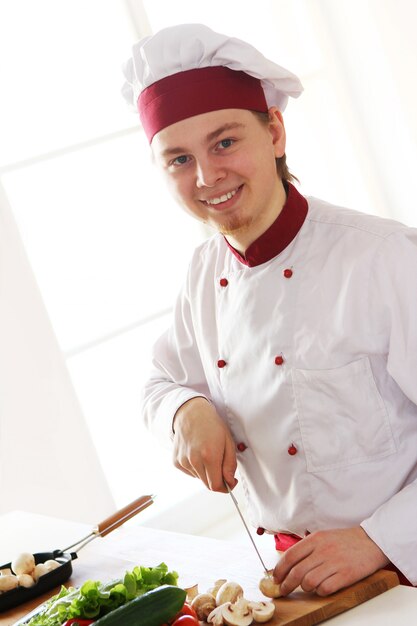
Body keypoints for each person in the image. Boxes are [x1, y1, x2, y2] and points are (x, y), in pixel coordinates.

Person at [122, 23, 417, 595]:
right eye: (178, 159)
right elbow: (161, 381)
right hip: (289, 585)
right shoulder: (203, 273)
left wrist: (381, 538)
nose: (207, 177)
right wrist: (184, 411)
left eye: (224, 142)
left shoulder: (386, 259)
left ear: (275, 132)